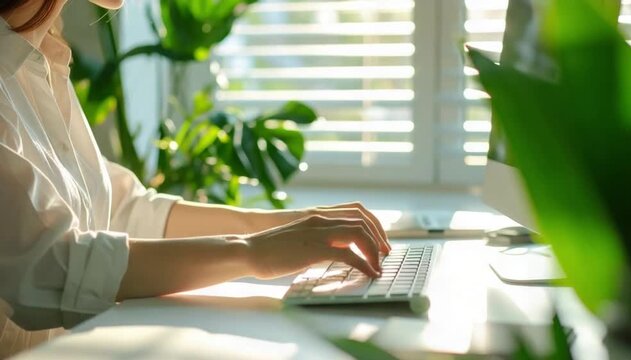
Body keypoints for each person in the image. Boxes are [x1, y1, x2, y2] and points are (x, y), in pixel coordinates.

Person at [0, 0, 389, 355]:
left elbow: (122, 210)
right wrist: (253, 251)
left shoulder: (39, 61)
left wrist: (288, 225)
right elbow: (50, 263)